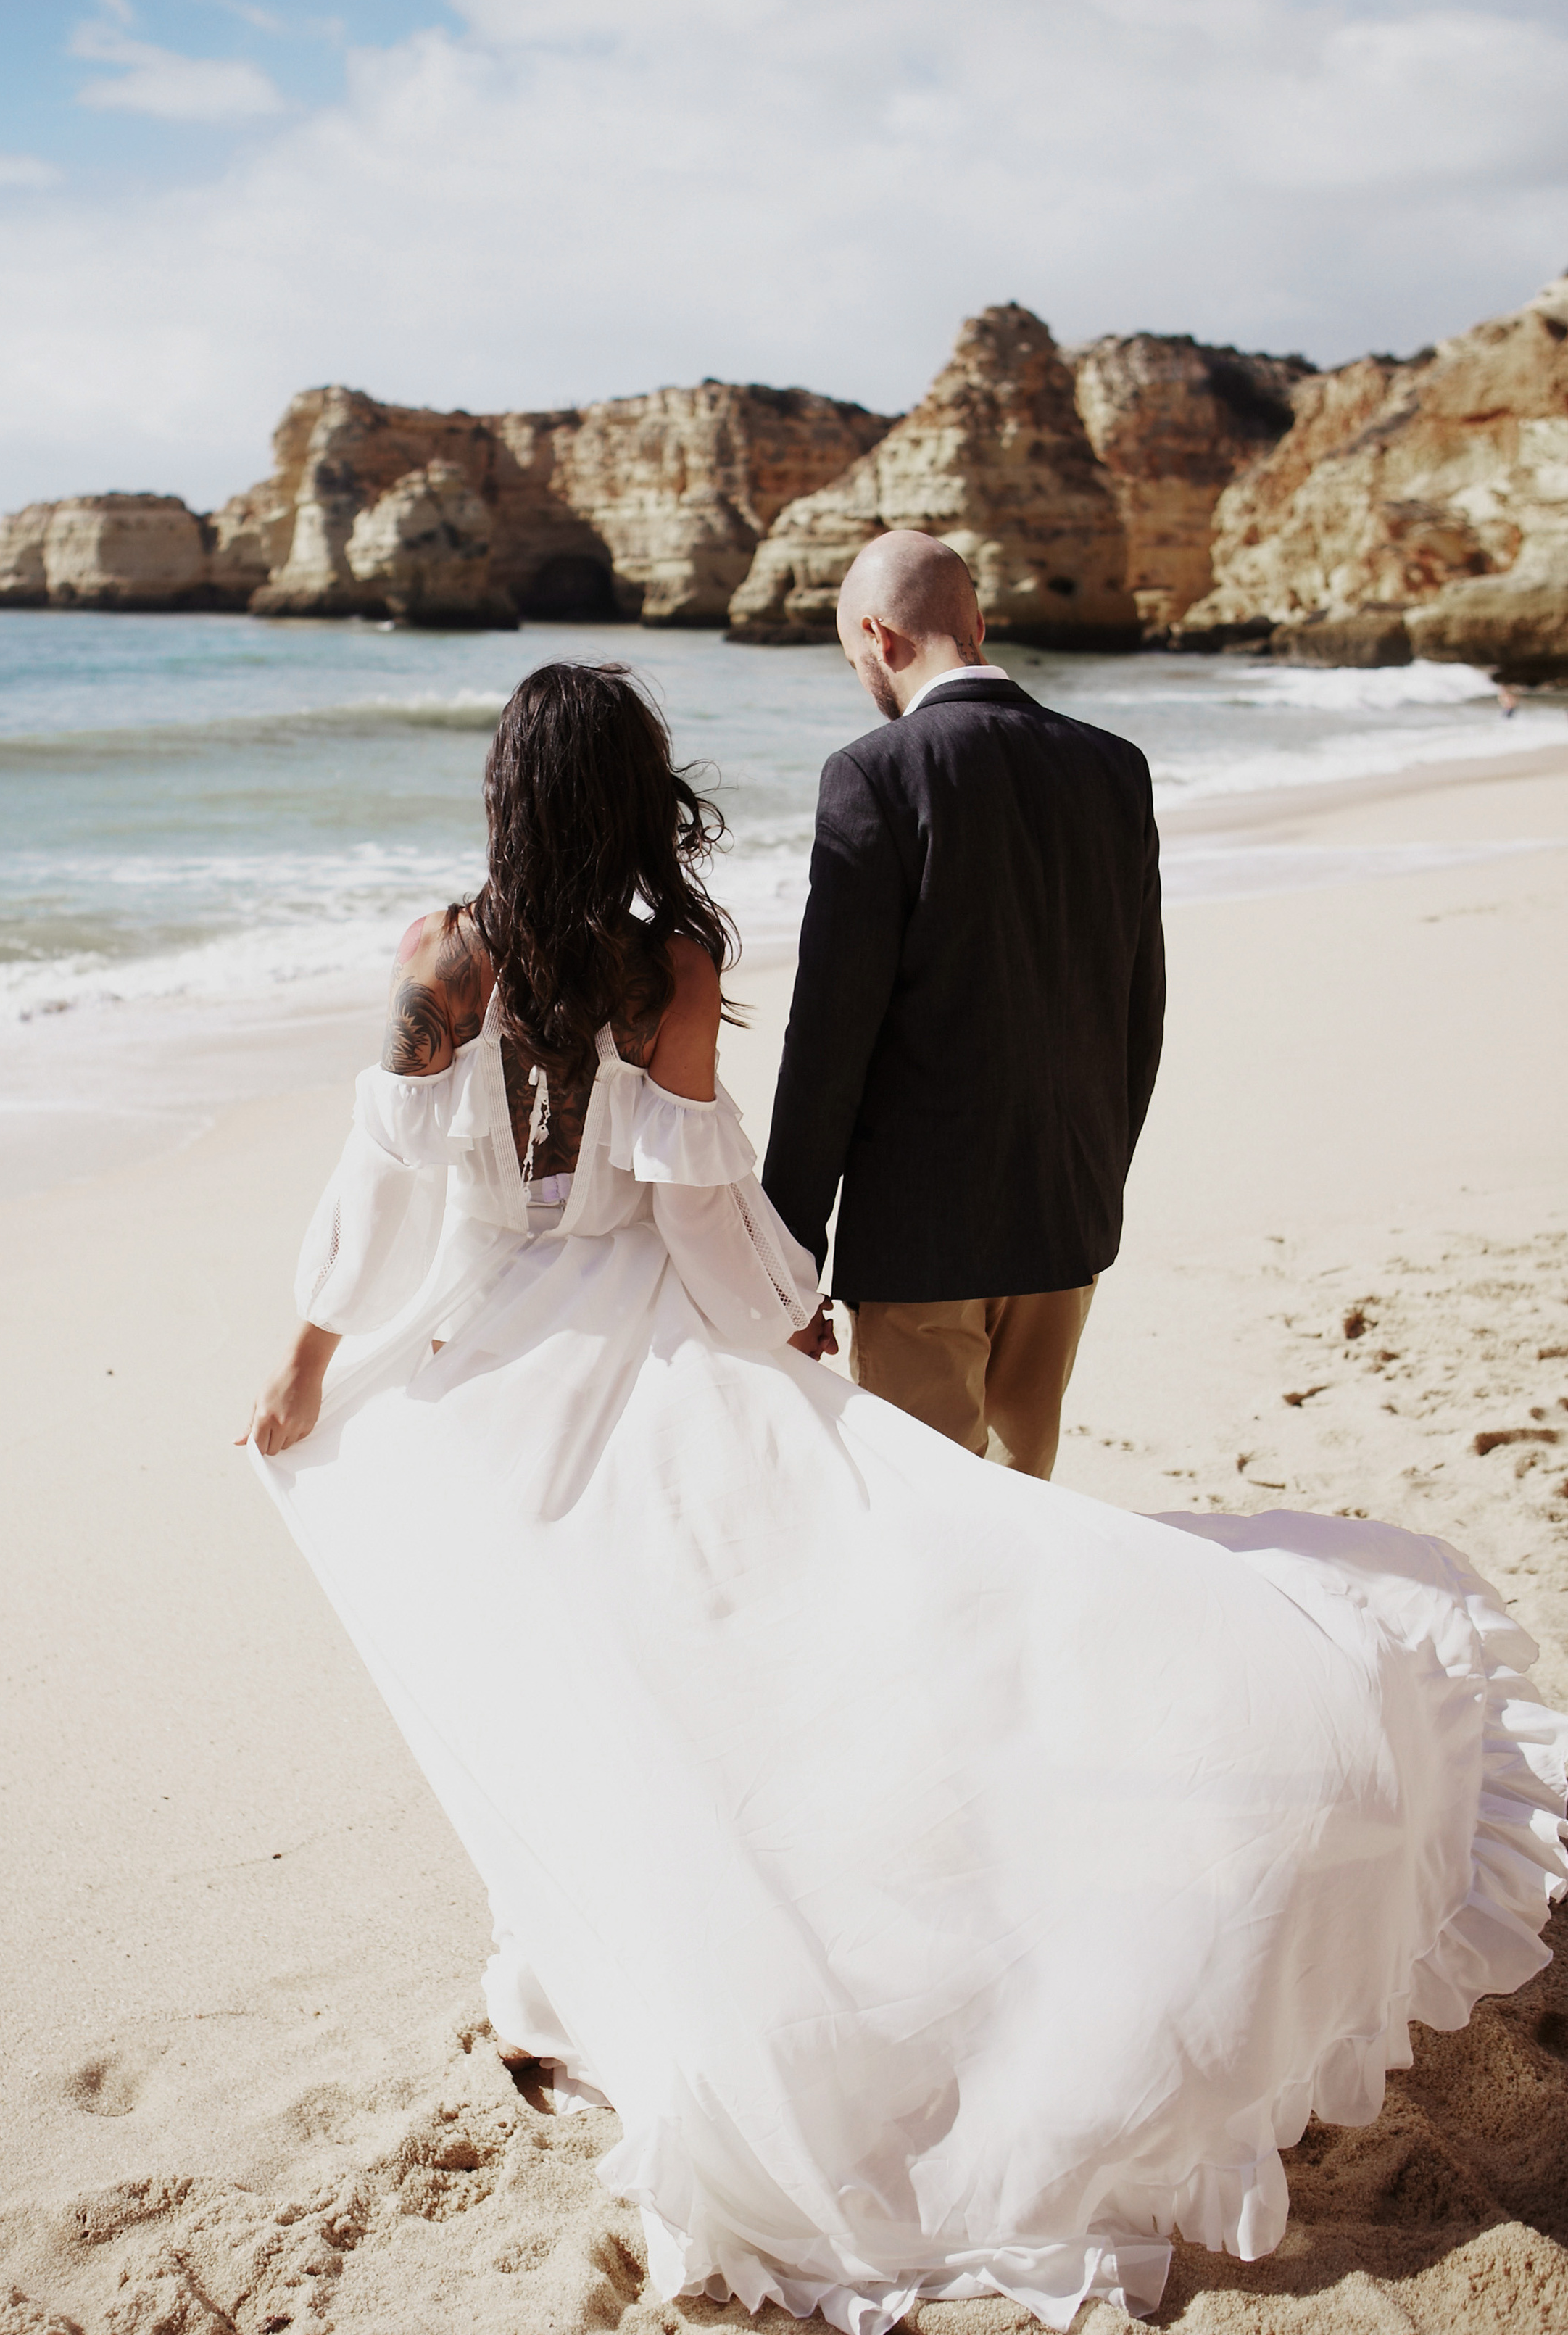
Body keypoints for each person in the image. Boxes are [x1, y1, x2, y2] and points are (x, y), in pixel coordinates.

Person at [242, 659, 1565, 2335]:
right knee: (748, 1662)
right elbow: (694, 1211)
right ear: (637, 797)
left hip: (489, 1367)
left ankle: (582, 1970)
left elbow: (374, 1187)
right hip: (649, 1343)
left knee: (575, 1685)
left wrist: (304, 1367)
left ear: (505, 792)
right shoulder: (667, 964)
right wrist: (785, 1309)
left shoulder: (440, 958)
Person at [763, 531, 1163, 1479]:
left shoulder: (875, 774)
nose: (860, 674)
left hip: (923, 1245)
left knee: (932, 1526)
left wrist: (785, 1263)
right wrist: (1091, 1186)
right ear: (976, 622)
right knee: (1024, 1512)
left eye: (852, 656)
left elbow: (828, 1043)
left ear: (878, 635)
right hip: (1065, 1224)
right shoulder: (1115, 766)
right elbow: (1138, 1010)